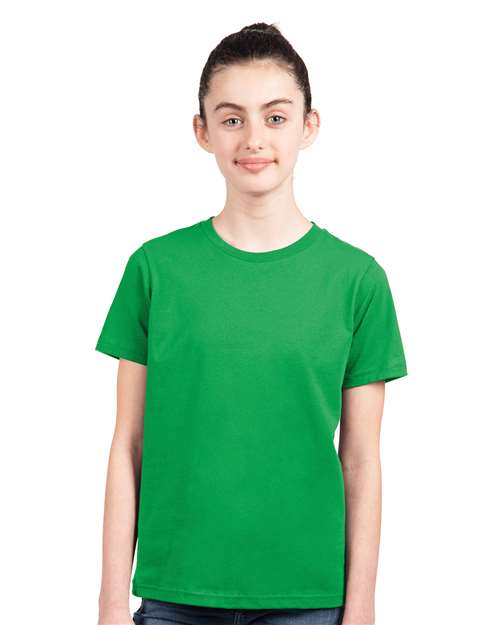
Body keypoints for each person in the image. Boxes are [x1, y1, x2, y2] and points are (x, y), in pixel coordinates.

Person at [95, 22, 408, 625]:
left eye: (276, 116)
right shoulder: (155, 269)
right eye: (232, 118)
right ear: (203, 131)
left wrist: (362, 607)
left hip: (309, 600)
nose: (254, 139)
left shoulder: (357, 280)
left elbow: (362, 460)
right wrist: (110, 604)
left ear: (308, 126)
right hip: (175, 597)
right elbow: (128, 444)